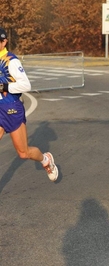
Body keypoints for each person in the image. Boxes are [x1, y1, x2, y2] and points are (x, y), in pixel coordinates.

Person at [0, 27, 58, 182]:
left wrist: (4, 87)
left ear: (4, 42)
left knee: (23, 153)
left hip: (11, 108)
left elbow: (26, 85)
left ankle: (45, 160)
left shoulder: (11, 61)